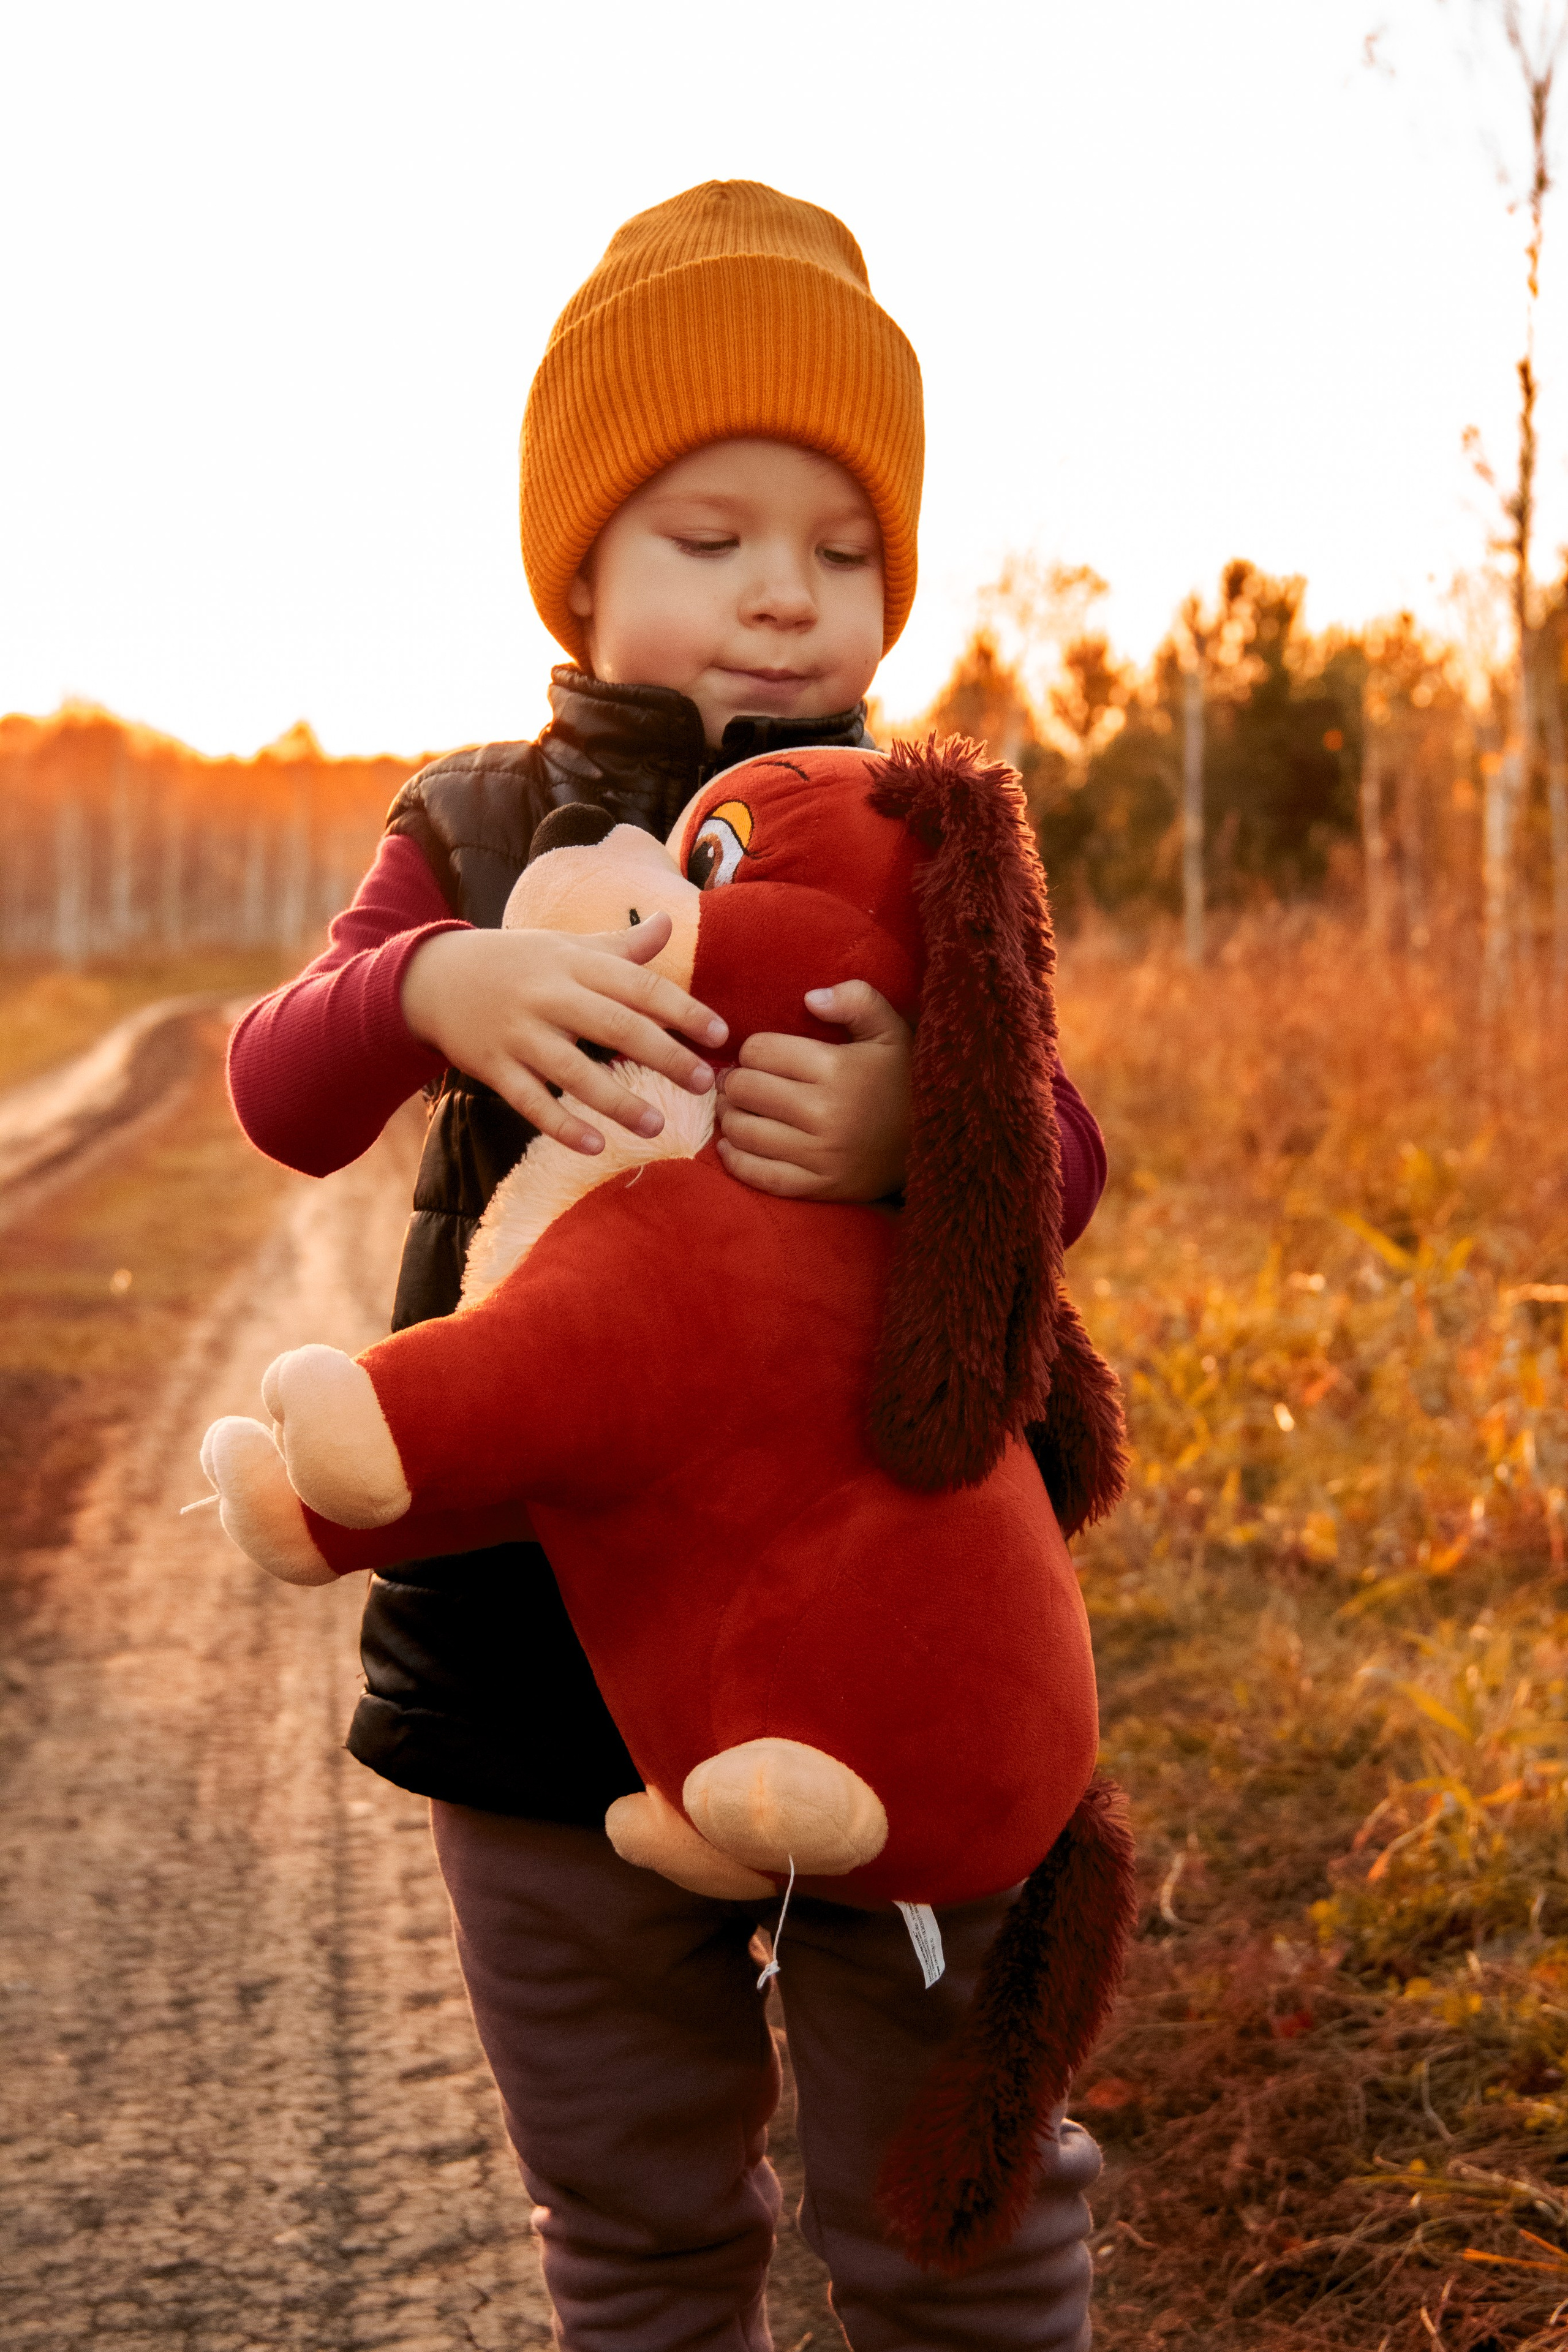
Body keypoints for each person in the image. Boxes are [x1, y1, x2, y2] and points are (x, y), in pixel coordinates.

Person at [228, 179, 1110, 2352]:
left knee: (953, 2215)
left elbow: (1068, 1161)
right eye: (711, 539)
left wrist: (937, 1129)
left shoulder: (936, 844)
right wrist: (435, 988)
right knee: (631, 2219)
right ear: (585, 560)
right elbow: (279, 1085)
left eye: (842, 548)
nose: (785, 598)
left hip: (886, 1619)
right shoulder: (480, 827)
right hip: (530, 1647)